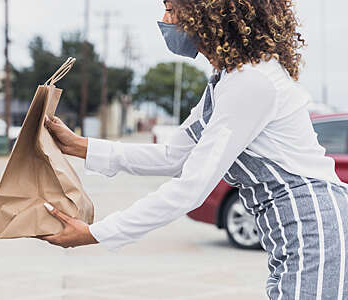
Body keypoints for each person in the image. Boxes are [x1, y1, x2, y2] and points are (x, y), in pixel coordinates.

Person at [39, 0, 348, 299]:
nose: (165, 20)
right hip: (292, 230)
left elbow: (191, 188)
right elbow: (173, 155)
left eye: (171, 9)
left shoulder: (251, 83)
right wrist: (79, 146)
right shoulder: (227, 81)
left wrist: (97, 233)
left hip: (313, 228)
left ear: (207, 11)